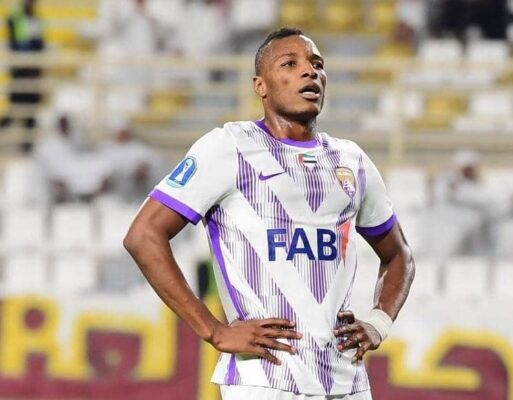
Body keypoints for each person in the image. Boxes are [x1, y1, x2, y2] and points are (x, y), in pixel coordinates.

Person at [124, 27, 415, 400]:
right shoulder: (228, 147)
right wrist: (214, 330)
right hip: (265, 377)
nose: (309, 71)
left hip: (347, 380)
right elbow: (144, 235)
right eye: (290, 64)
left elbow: (399, 254)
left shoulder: (352, 161)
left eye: (317, 64)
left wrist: (378, 321)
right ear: (260, 86)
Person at [0, 0, 44, 130]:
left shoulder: (35, 18)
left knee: (31, 97)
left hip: (32, 65)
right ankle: (12, 122)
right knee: (17, 96)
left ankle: (28, 126)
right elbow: (15, 41)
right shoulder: (16, 17)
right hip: (20, 64)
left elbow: (39, 42)